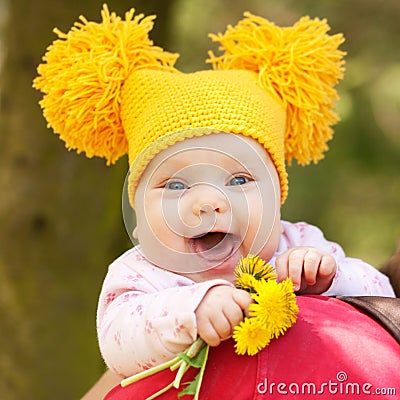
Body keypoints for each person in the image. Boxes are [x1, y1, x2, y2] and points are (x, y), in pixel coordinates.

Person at [33, 4, 395, 382]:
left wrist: (330, 278)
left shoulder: (297, 243)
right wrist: (192, 309)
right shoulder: (142, 275)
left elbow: (382, 294)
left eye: (238, 181)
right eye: (175, 185)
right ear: (137, 221)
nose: (208, 203)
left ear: (277, 202)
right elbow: (118, 342)